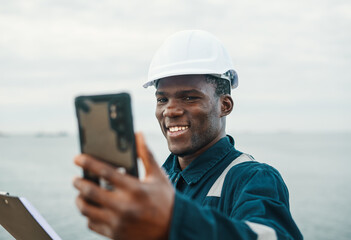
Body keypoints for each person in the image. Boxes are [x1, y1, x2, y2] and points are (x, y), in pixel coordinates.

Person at [73, 30, 303, 239]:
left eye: (190, 97)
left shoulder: (253, 178)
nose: (170, 110)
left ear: (225, 105)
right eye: (162, 99)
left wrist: (173, 222)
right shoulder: (163, 177)